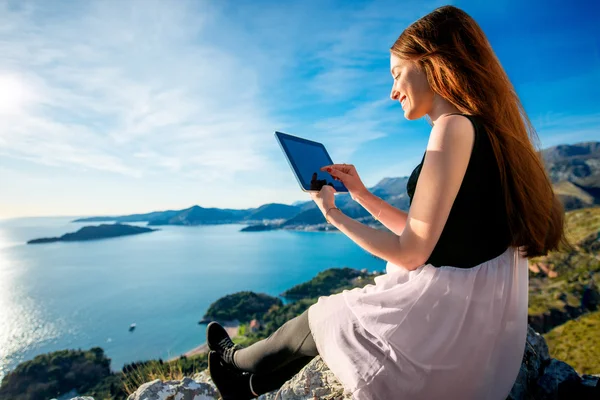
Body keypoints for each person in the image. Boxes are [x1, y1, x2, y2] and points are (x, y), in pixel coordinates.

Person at [207, 5, 570, 399]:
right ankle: (259, 383)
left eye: (397, 73)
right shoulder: (494, 135)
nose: (392, 90)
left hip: (450, 335)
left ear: (433, 63)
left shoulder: (451, 128)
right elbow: (438, 234)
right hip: (483, 341)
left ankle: (229, 362)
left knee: (323, 316)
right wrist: (362, 195)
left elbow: (412, 253)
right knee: (336, 317)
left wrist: (333, 213)